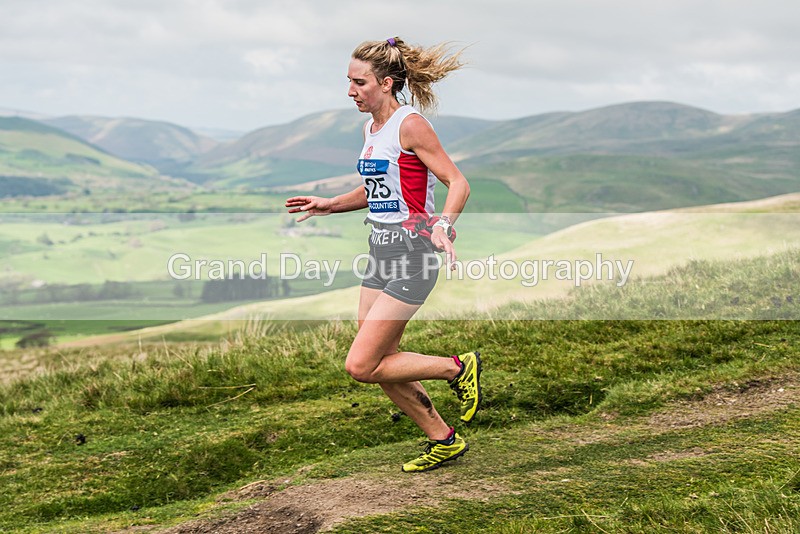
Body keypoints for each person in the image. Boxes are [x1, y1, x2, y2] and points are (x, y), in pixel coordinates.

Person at [285, 36, 482, 472]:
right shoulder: (371, 129)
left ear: (387, 83)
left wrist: (444, 225)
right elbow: (379, 191)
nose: (350, 91)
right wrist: (330, 204)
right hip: (380, 252)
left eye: (359, 82)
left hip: (414, 253)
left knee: (361, 364)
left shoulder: (410, 125)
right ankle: (443, 438)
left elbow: (457, 182)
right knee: (381, 361)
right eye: (348, 81)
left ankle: (457, 368)